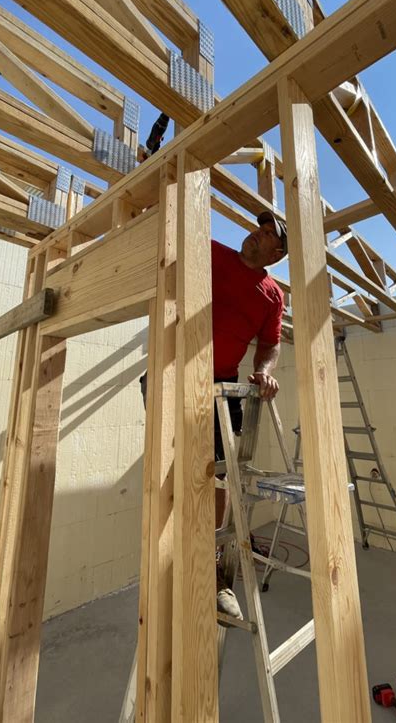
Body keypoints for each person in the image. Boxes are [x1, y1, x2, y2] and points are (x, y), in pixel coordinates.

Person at [140, 211, 287, 622]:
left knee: (219, 475)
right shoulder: (209, 251)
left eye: (265, 236)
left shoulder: (273, 296)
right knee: (172, 465)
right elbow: (166, 242)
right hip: (173, 371)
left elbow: (270, 345)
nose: (254, 235)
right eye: (257, 228)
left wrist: (265, 372)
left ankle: (215, 571)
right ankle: (166, 559)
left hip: (223, 386)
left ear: (276, 254)